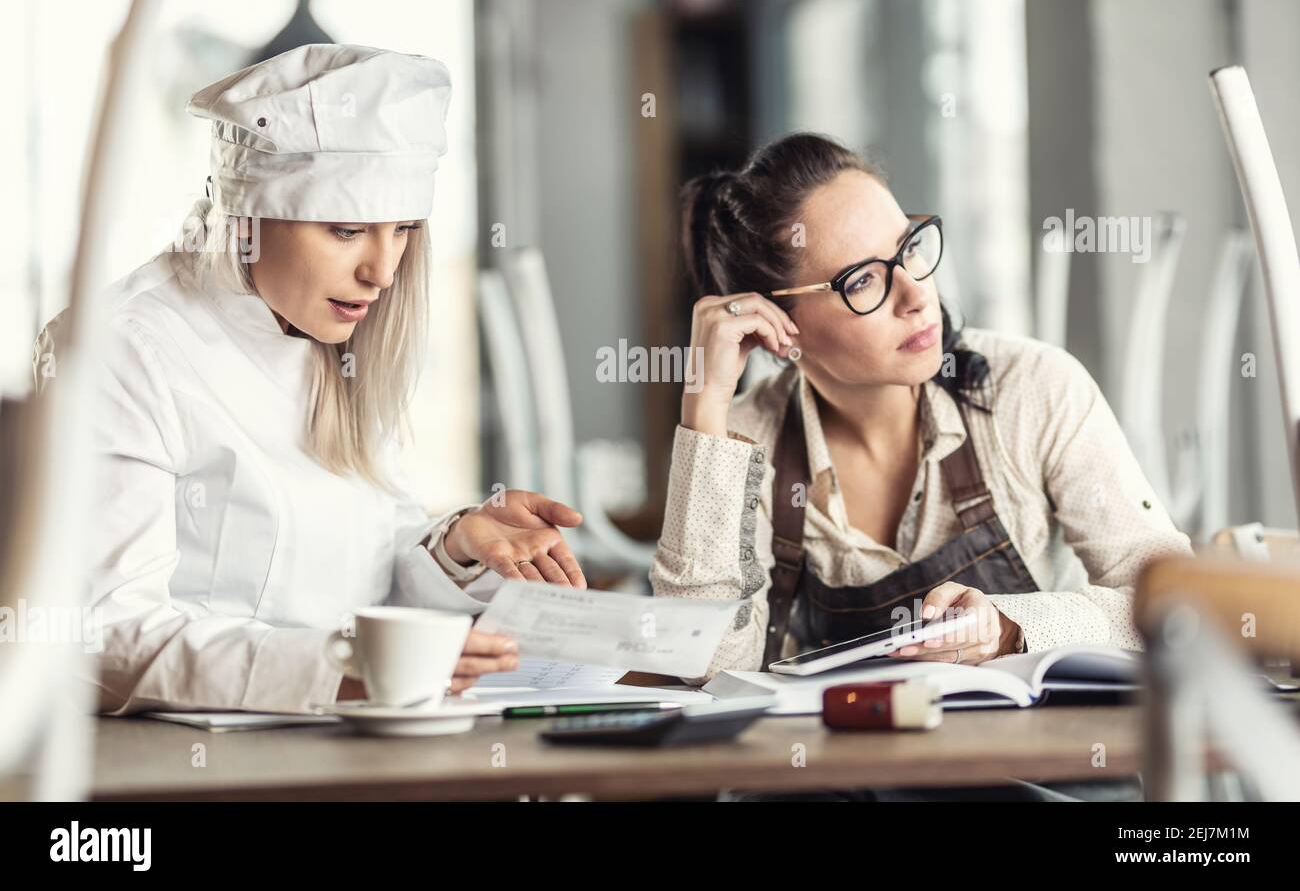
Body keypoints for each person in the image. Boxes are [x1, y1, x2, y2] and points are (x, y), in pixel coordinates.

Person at [35, 44, 584, 715]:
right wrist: (346, 668)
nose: (382, 272)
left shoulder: (336, 336)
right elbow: (105, 638)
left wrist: (456, 546)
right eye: (347, 230)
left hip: (349, 738)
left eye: (404, 230)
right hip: (194, 761)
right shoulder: (122, 349)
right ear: (248, 217)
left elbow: (368, 568)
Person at [650, 135, 1193, 801]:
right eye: (864, 280)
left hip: (1045, 784)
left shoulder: (1031, 390)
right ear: (780, 328)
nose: (916, 295)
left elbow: (1175, 608)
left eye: (909, 249)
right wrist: (703, 412)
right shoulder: (744, 442)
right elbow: (700, 674)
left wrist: (1013, 627)